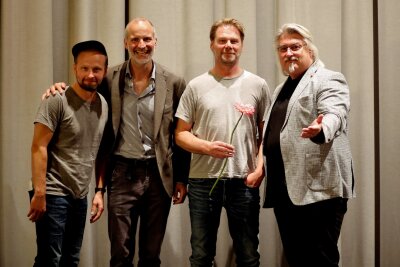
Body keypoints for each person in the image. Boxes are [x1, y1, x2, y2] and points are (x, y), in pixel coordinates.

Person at [46, 18, 190, 267]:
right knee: (120, 254)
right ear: (125, 43)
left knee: (151, 254)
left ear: (155, 41)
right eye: (135, 39)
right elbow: (82, 89)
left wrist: (181, 178)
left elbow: (181, 134)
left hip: (159, 176)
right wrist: (58, 88)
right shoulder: (109, 79)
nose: (141, 45)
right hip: (122, 174)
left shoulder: (175, 83)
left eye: (146, 39)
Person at [175, 18, 271, 267]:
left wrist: (260, 169)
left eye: (233, 41)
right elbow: (180, 134)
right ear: (212, 45)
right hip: (202, 181)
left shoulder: (258, 85)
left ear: (241, 45)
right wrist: (207, 147)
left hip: (244, 181)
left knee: (249, 255)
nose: (228, 45)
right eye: (222, 40)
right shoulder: (196, 86)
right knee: (201, 255)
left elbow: (266, 136)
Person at [260, 23, 355, 267]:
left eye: (295, 47)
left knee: (320, 260)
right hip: (287, 189)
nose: (289, 53)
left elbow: (335, 112)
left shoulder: (327, 78)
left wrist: (322, 129)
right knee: (297, 259)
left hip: (319, 189)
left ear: (310, 51)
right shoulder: (281, 88)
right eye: (283, 48)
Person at [28, 40, 109, 267]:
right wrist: (40, 193)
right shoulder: (56, 100)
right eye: (84, 68)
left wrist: (99, 192)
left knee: (71, 259)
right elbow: (38, 147)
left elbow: (101, 150)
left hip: (79, 196)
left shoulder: (103, 105)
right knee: (49, 260)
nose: (90, 74)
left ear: (104, 71)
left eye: (96, 69)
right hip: (53, 193)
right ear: (75, 68)